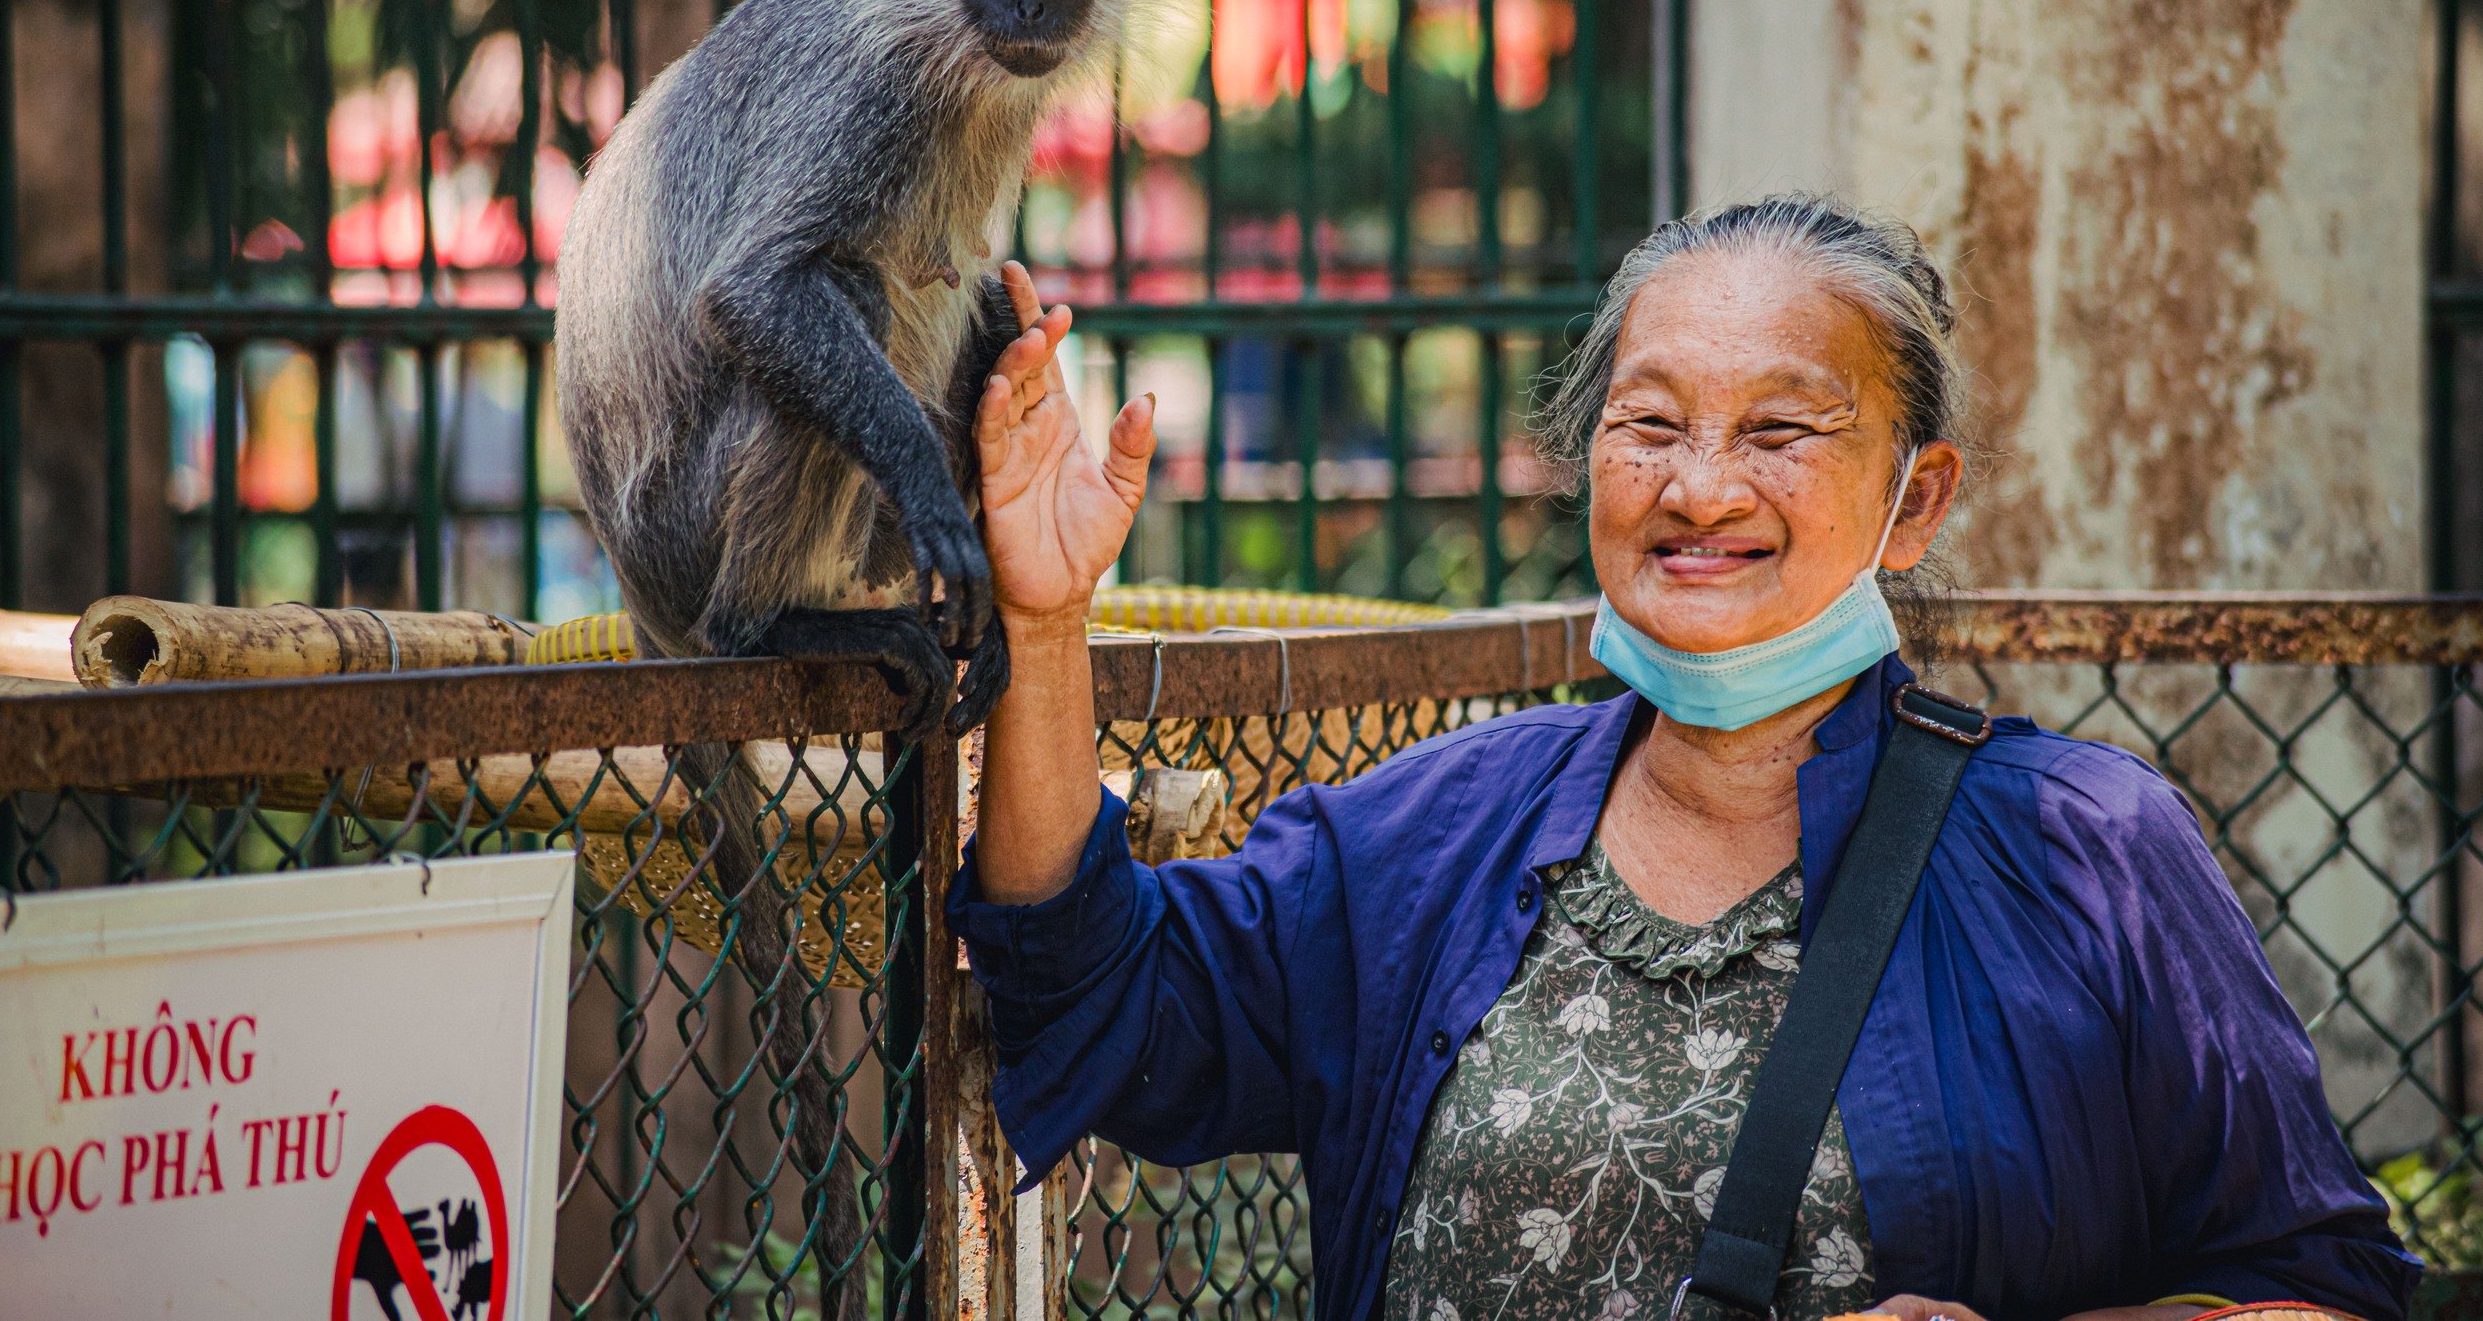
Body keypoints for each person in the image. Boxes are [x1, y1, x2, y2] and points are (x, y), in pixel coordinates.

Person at [945, 196, 2421, 1321]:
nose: (1701, 488)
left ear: (1915, 504)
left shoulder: (2090, 853)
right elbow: (1095, 997)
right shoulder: (1432, 833)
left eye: (1782, 430)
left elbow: (2325, 1282)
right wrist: (1045, 614)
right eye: (1650, 425)